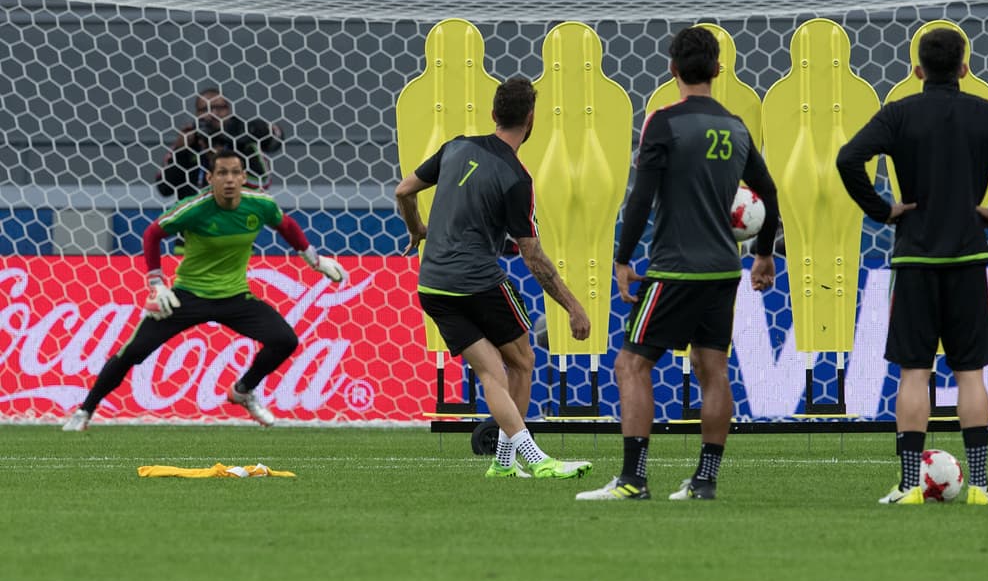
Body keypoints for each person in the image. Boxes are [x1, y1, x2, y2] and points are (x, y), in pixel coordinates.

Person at [836, 25, 988, 506]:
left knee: (914, 373)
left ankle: (910, 485)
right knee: (970, 373)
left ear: (917, 70)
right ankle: (979, 486)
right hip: (968, 257)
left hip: (914, 257)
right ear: (964, 68)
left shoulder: (898, 113)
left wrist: (882, 210)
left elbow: (848, 159)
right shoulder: (987, 114)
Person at [577, 26, 780, 502]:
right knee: (714, 368)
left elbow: (642, 196)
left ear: (672, 70)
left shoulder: (663, 122)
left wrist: (623, 258)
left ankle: (633, 478)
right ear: (717, 70)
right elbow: (768, 192)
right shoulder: (735, 126)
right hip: (724, 271)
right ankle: (704, 480)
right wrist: (764, 253)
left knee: (631, 365)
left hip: (675, 270)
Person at [394, 77, 594, 481]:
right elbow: (533, 257)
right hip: (478, 282)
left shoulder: (456, 147)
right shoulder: (516, 178)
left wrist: (417, 230)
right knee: (521, 363)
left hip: (432, 285)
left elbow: (403, 190)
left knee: (493, 374)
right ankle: (535, 459)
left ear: (492, 114)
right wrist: (574, 306)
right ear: (531, 119)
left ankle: (503, 464)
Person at [64, 149, 345, 431]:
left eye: (235, 172)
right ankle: (84, 412)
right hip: (188, 296)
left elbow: (286, 226)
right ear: (210, 178)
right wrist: (157, 284)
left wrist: (314, 260)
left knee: (285, 340)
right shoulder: (194, 208)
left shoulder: (260, 205)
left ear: (244, 176)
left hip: (235, 297)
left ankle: (243, 391)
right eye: (222, 173)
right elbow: (152, 234)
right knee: (132, 353)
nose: (230, 180)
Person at [156, 87, 285, 200]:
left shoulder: (243, 139)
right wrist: (181, 152)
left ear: (228, 110)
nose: (213, 114)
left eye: (219, 108)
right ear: (197, 113)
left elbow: (263, 182)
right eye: (205, 109)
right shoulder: (189, 140)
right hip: (195, 219)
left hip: (235, 217)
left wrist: (226, 161)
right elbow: (164, 189)